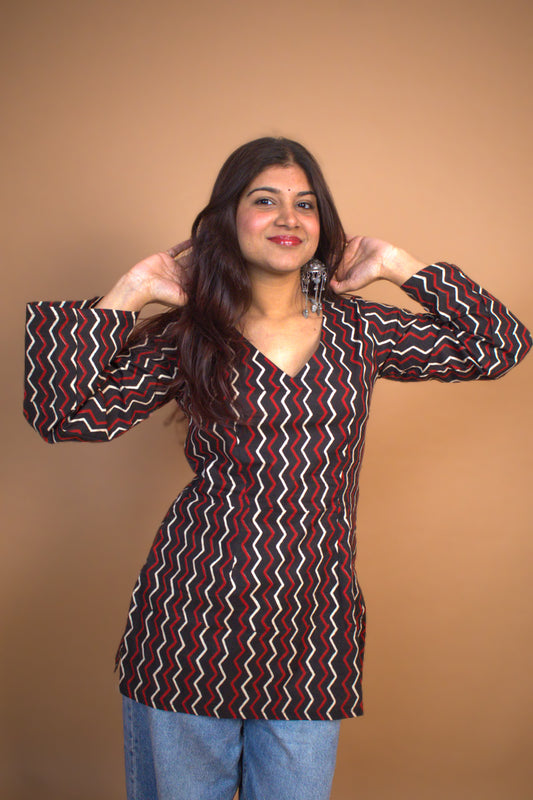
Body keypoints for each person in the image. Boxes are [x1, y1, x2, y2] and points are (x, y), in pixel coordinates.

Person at [23, 137, 531, 800]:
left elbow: (499, 345)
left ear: (323, 227)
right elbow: (61, 413)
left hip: (311, 628)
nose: (288, 217)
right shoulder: (191, 335)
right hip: (190, 621)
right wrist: (131, 289)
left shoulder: (357, 330)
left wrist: (396, 264)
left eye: (305, 204)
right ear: (226, 222)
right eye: (264, 201)